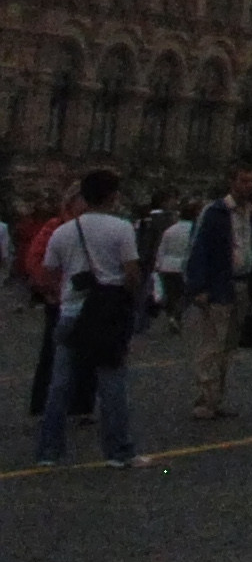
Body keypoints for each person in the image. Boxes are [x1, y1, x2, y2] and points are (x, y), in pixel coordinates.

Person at [35, 168, 142, 468]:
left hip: (71, 311)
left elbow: (46, 275)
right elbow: (132, 273)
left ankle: (49, 450)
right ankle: (119, 451)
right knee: (112, 383)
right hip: (107, 313)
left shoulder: (64, 231)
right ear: (112, 196)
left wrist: (60, 293)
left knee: (60, 384)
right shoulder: (121, 229)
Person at [181, 165, 252, 423]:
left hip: (242, 284)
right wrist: (198, 287)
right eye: (244, 180)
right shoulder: (215, 212)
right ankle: (204, 399)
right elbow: (197, 249)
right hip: (218, 286)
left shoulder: (250, 214)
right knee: (212, 344)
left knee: (228, 345)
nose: (249, 186)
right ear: (232, 182)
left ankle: (215, 397)